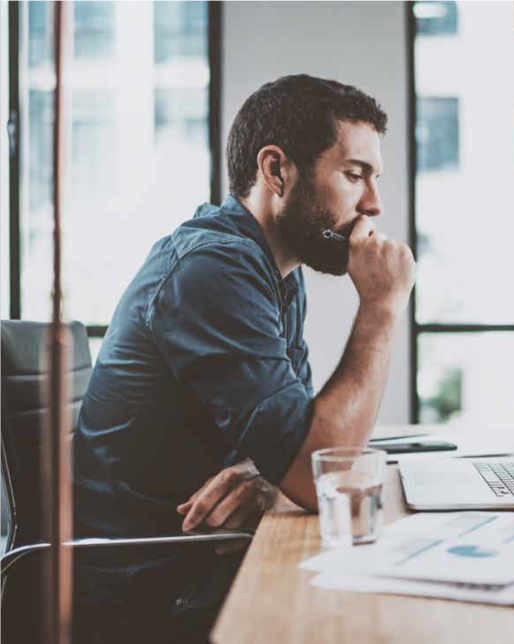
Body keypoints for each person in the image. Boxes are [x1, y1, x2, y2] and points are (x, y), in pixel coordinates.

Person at [72, 74, 415, 643]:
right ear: (277, 170)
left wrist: (265, 469)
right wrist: (382, 306)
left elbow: (303, 446)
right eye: (354, 175)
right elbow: (315, 473)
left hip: (201, 557)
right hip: (147, 589)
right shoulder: (214, 268)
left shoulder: (275, 270)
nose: (374, 204)